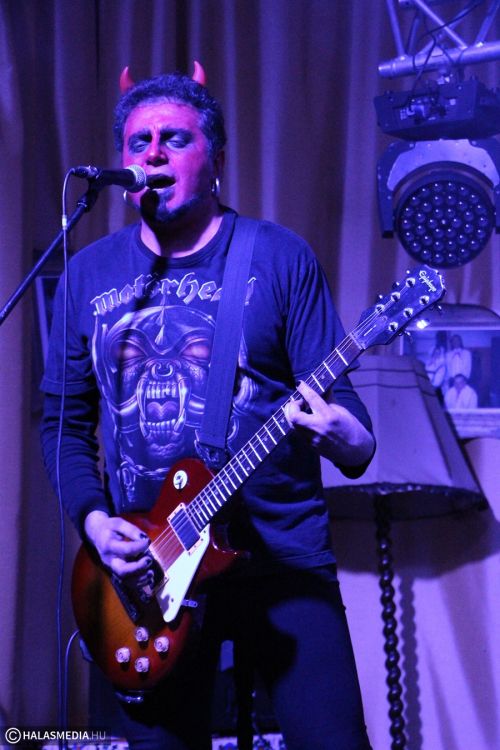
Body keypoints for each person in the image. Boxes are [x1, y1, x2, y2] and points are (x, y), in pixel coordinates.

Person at [40, 63, 375, 750]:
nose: (154, 154)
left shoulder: (277, 257)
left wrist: (346, 436)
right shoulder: (88, 275)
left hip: (281, 559)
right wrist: (96, 523)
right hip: (148, 575)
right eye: (138, 143)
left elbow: (349, 424)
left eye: (175, 139)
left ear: (216, 160)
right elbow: (64, 426)